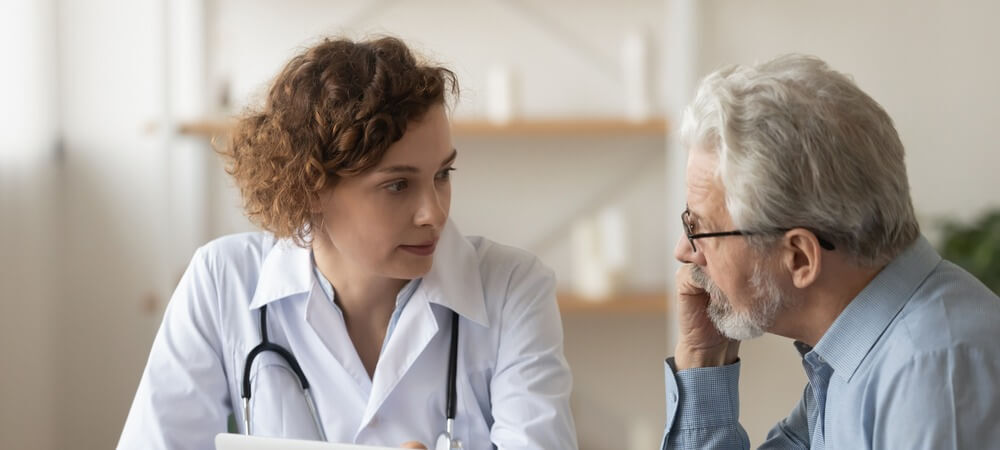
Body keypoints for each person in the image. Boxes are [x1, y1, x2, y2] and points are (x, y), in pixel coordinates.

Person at [118, 36, 577, 450]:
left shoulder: (514, 288)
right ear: (312, 187)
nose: (434, 213)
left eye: (442, 175)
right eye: (398, 185)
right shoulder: (222, 282)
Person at [662, 54, 1000, 449]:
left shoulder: (935, 373)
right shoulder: (849, 362)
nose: (684, 250)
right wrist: (702, 358)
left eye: (699, 227)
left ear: (800, 257)